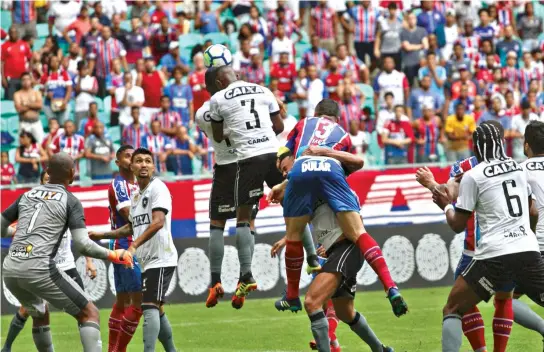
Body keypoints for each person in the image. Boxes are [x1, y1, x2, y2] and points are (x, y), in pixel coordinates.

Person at [269, 99, 407, 316]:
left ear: (316, 113)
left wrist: (283, 179)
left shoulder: (304, 122)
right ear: (337, 119)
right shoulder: (343, 134)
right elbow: (345, 165)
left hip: (300, 170)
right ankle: (390, 286)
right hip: (332, 171)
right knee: (359, 233)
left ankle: (292, 296)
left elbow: (285, 153)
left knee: (294, 235)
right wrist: (324, 152)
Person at [0, 152, 133, 352]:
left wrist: (13, 231)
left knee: (39, 313)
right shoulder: (70, 201)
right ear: (72, 173)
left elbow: (1, 228)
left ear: (48, 171)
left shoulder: (25, 195)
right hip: (39, 267)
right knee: (90, 314)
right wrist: (114, 254)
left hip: (10, 269)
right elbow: (83, 245)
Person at [432, 123, 544, 352]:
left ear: (476, 147)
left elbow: (457, 224)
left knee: (453, 307)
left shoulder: (473, 175)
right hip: (528, 250)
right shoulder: (519, 168)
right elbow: (533, 211)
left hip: (494, 255)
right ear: (502, 143)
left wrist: (445, 206)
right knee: (506, 299)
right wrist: (528, 235)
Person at [271, 194, 394, 352]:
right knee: (345, 311)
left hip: (345, 249)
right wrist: (287, 239)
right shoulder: (312, 191)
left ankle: (330, 338)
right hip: (333, 253)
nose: (284, 173)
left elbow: (356, 224)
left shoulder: (335, 187)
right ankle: (379, 349)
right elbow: (303, 223)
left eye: (284, 168)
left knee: (313, 301)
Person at [209, 65, 286, 302]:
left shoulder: (217, 99)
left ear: (219, 83)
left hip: (245, 160)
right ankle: (314, 257)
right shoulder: (263, 91)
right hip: (274, 154)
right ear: (238, 76)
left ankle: (246, 274)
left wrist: (235, 129)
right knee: (293, 206)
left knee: (241, 218)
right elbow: (280, 127)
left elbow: (218, 135)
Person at [89, 147, 178, 352]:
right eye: (139, 161)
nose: (143, 164)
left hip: (161, 258)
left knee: (147, 307)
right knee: (156, 308)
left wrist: (133, 245)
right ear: (132, 166)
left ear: (154, 166)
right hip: (147, 261)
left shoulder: (158, 188)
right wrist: (102, 235)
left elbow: (157, 222)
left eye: (148, 161)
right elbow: (131, 226)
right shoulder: (137, 195)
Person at [1, 170, 97, 352]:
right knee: (31, 311)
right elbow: (19, 231)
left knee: (85, 310)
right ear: (41, 182)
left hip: (66, 266)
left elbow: (83, 238)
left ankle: (88, 344)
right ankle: (7, 346)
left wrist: (90, 262)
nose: (50, 181)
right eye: (46, 179)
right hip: (42, 267)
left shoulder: (67, 203)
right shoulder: (34, 204)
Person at [88, 145, 142, 352]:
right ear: (118, 162)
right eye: (127, 157)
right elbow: (131, 216)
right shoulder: (119, 185)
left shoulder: (135, 185)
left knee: (123, 301)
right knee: (138, 302)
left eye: (134, 157)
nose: (132, 160)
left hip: (129, 244)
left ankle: (112, 350)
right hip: (125, 246)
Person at [1, 26, 32, 99]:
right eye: (11, 32)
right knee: (11, 100)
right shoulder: (4, 46)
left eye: (15, 32)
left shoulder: (24, 44)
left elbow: (30, 58)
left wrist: (30, 72)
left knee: (24, 99)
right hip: (10, 78)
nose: (13, 34)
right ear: (9, 34)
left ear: (18, 33)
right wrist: (3, 78)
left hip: (23, 78)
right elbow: (1, 62)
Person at [41, 55, 73, 123]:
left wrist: (65, 101)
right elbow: (41, 90)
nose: (54, 62)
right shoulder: (45, 75)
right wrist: (46, 94)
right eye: (52, 61)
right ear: (49, 63)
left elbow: (69, 89)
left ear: (59, 63)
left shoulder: (64, 74)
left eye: (57, 61)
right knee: (53, 125)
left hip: (63, 103)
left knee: (63, 125)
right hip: (49, 105)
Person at [14, 72, 44, 144]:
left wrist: (25, 104)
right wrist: (33, 105)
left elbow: (39, 105)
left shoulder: (36, 92)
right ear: (21, 81)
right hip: (24, 123)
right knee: (23, 145)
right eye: (23, 80)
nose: (26, 82)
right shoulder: (17, 94)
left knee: (40, 144)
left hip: (36, 122)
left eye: (28, 79)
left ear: (31, 80)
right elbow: (19, 109)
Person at [400, 12, 428, 86]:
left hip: (420, 62)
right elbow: (407, 47)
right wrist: (420, 45)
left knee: (422, 83)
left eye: (413, 18)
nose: (412, 20)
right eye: (410, 19)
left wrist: (413, 46)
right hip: (408, 63)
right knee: (410, 84)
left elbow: (426, 45)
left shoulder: (422, 30)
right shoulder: (403, 32)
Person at [137, 57, 167, 125]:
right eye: (146, 62)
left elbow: (165, 89)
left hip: (158, 107)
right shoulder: (140, 75)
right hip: (145, 108)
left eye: (150, 61)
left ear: (154, 63)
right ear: (144, 64)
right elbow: (137, 91)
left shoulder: (159, 74)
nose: (148, 63)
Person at [374, 2, 403, 71]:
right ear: (388, 10)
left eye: (394, 9)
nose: (392, 11)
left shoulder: (400, 22)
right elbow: (378, 36)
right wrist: (376, 49)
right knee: (384, 70)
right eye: (391, 9)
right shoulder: (383, 22)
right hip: (385, 50)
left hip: (396, 50)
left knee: (397, 70)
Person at [74, 61, 99, 129]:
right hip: (79, 108)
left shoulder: (92, 79)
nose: (85, 71)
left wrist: (83, 90)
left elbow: (95, 91)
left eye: (86, 68)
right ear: (79, 70)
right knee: (79, 128)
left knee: (92, 127)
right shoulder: (75, 79)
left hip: (90, 109)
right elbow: (77, 90)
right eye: (82, 69)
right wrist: (79, 77)